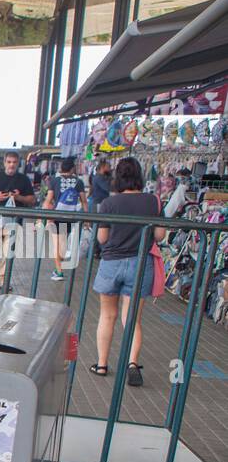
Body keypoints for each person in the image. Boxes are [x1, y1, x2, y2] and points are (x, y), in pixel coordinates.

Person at [91, 156, 164, 388]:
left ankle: (102, 364)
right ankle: (132, 364)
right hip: (140, 263)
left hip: (111, 262)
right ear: (139, 176)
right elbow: (160, 236)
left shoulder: (109, 204)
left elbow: (102, 238)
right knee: (132, 319)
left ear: (117, 178)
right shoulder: (153, 201)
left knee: (107, 316)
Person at [44, 157, 86, 280]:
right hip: (70, 216)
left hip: (57, 216)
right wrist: (87, 218)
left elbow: (48, 200)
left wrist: (45, 218)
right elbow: (84, 201)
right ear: (72, 168)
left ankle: (59, 271)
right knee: (63, 243)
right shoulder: (79, 182)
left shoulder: (55, 181)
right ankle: (59, 267)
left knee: (57, 245)